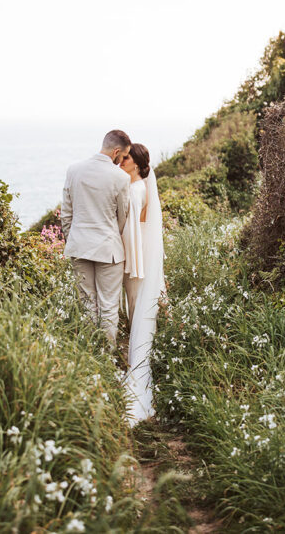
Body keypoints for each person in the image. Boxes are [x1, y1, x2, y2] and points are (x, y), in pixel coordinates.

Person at [61, 129, 132, 350]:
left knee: (86, 304)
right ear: (116, 152)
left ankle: (90, 355)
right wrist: (111, 234)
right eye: (123, 157)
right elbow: (123, 215)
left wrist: (73, 240)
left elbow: (66, 214)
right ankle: (107, 355)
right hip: (108, 249)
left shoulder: (74, 170)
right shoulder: (121, 177)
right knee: (109, 305)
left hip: (79, 247)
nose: (122, 162)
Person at [117, 143, 165, 426]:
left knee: (137, 307)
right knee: (142, 305)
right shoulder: (141, 186)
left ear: (136, 163)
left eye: (125, 158)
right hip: (146, 253)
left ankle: (139, 367)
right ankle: (143, 357)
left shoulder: (136, 190)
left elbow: (129, 228)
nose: (121, 161)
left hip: (136, 256)